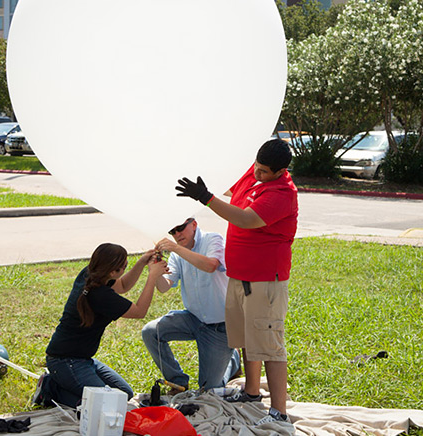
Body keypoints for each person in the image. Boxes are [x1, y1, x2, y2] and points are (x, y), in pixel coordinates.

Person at [175, 139, 298, 425]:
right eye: (257, 166)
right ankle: (252, 392)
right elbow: (229, 181)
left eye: (265, 171)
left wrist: (206, 198)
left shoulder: (282, 193)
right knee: (247, 338)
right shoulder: (253, 175)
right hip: (240, 276)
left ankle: (279, 412)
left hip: (266, 281)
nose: (258, 174)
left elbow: (244, 218)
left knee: (269, 343)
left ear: (281, 171)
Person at [32, 243, 169, 409]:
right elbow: (139, 311)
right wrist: (152, 277)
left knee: (124, 393)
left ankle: (63, 384)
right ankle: (50, 389)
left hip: (82, 359)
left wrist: (141, 262)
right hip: (65, 361)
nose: (126, 268)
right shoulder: (101, 296)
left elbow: (124, 286)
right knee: (107, 403)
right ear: (112, 272)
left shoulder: (91, 274)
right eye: (125, 266)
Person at [141, 217, 241, 393]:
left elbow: (211, 265)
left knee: (209, 390)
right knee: (150, 332)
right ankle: (178, 382)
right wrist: (155, 271)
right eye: (172, 231)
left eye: (180, 228)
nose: (177, 234)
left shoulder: (213, 239)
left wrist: (176, 248)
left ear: (194, 224)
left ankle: (233, 360)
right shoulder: (177, 254)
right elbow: (164, 287)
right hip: (193, 318)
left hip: (220, 326)